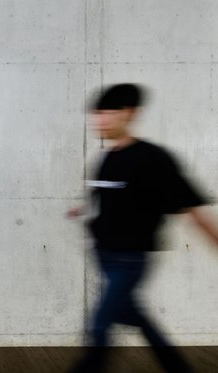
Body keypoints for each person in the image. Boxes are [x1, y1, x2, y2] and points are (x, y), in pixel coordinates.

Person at [67, 84, 218, 373]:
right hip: (104, 255)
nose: (100, 121)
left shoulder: (153, 158)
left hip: (130, 259)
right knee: (137, 317)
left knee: (99, 325)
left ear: (129, 114)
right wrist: (82, 209)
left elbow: (190, 207)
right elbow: (103, 195)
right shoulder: (107, 158)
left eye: (108, 114)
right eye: (97, 114)